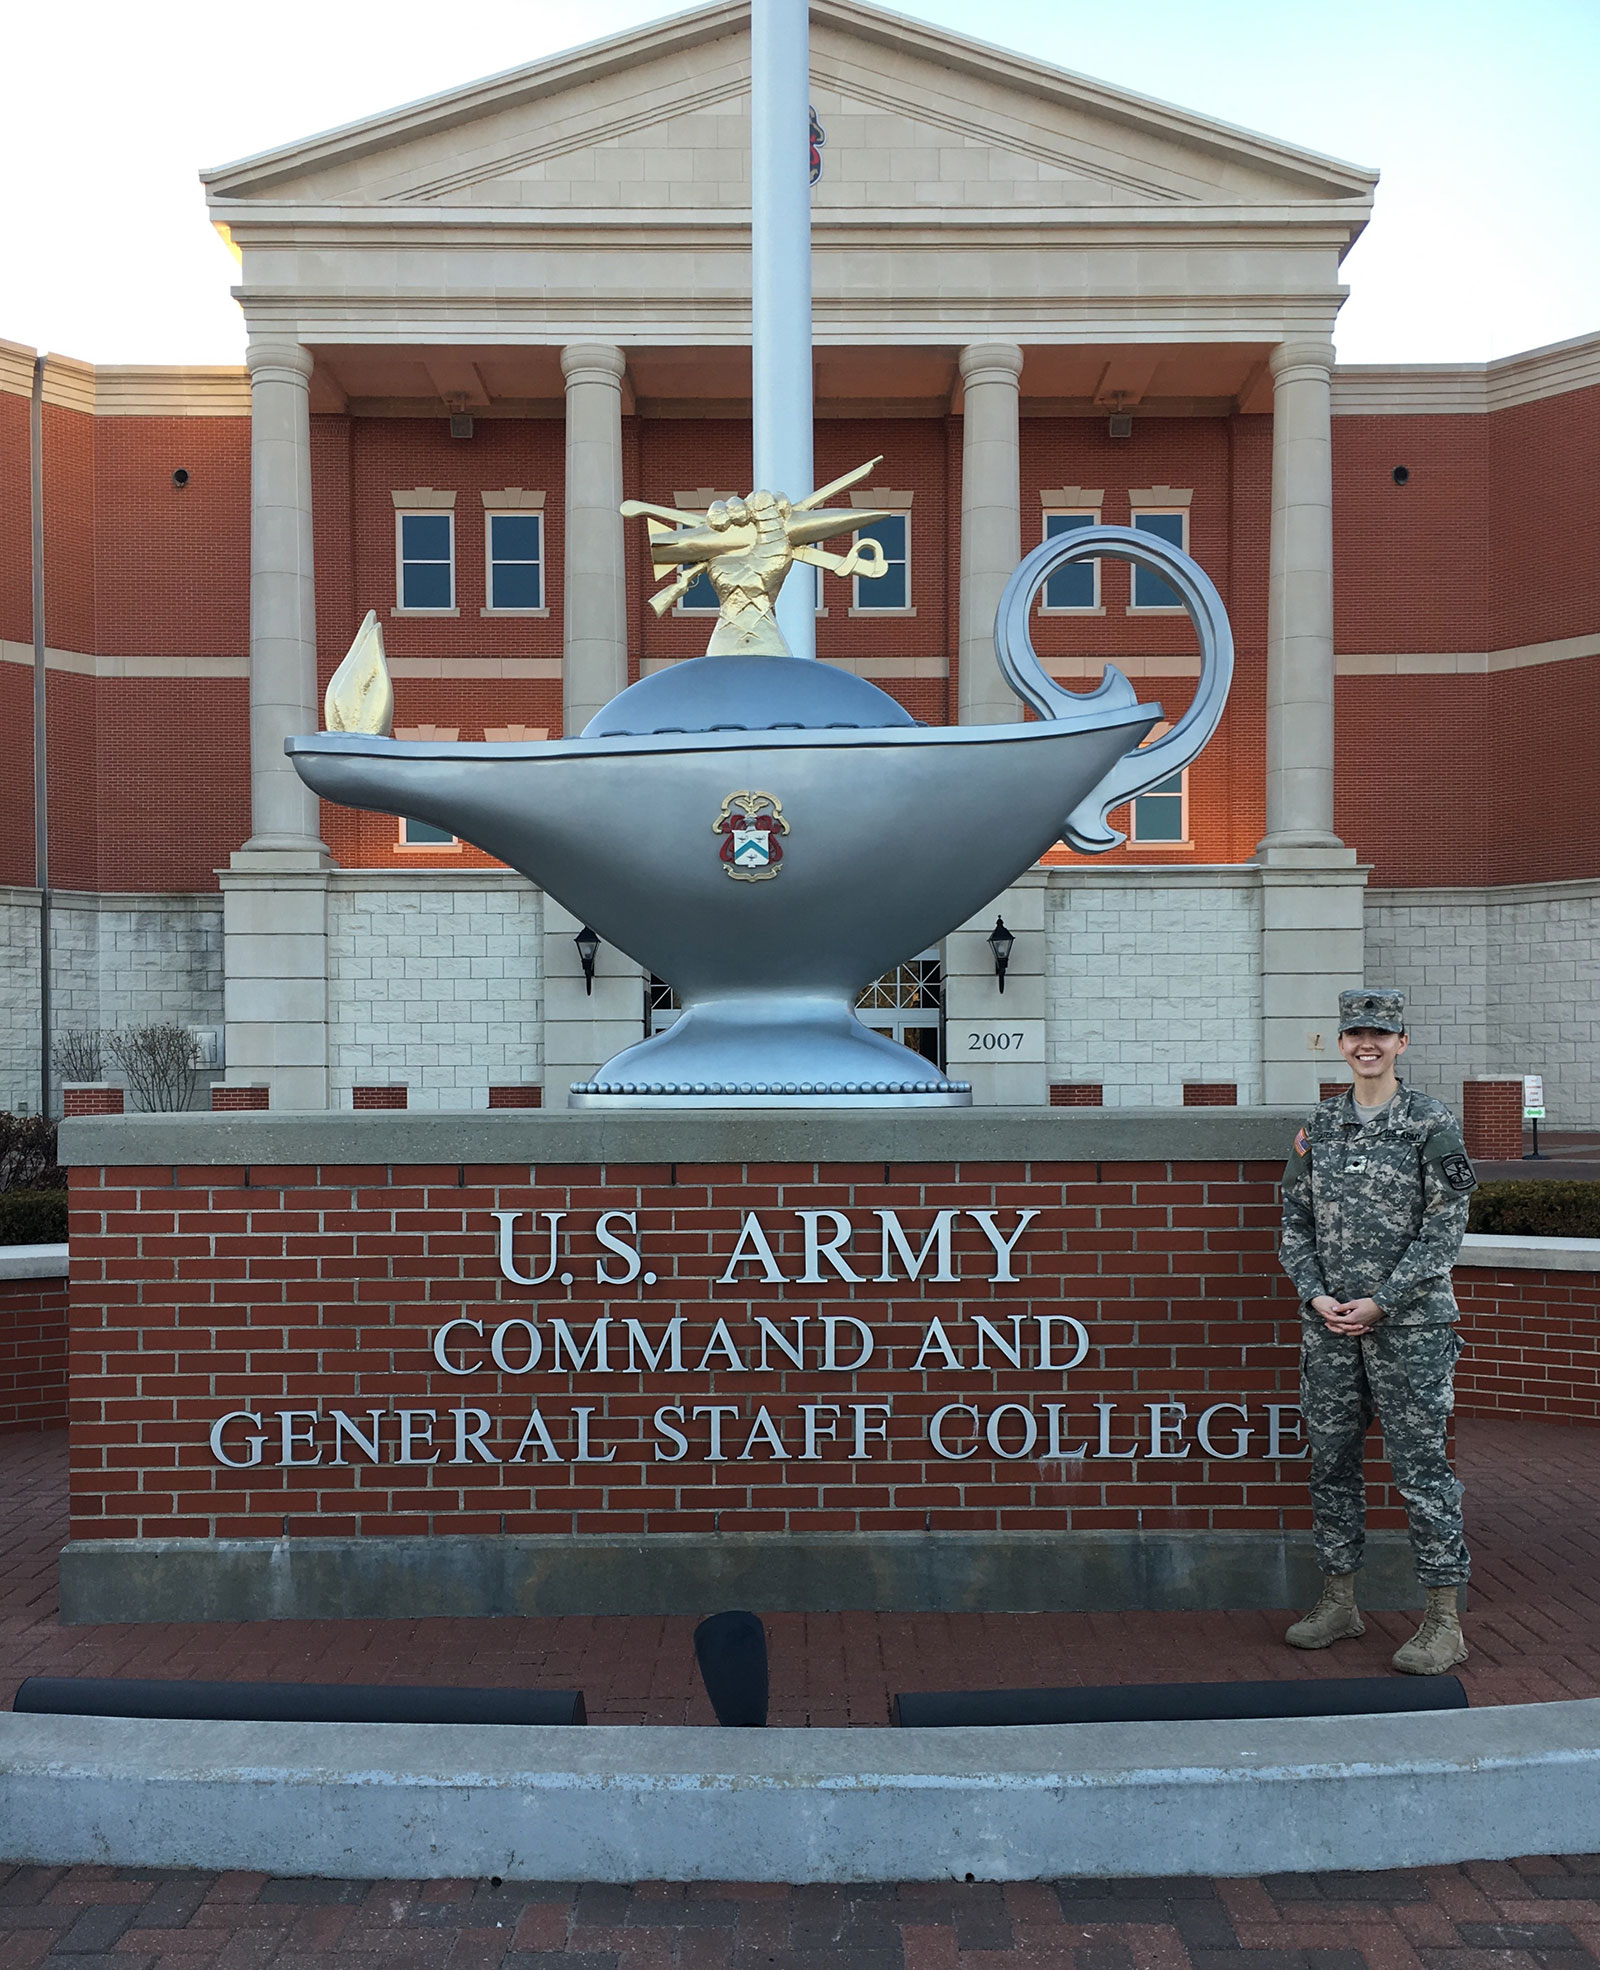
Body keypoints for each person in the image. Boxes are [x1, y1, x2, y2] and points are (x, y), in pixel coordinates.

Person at [1278, 987, 1478, 1675]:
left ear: (1402, 1042)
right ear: (1341, 1043)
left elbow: (1444, 1230)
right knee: (1330, 1465)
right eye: (1356, 1033)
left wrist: (1381, 1301)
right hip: (1331, 1330)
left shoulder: (1429, 1122)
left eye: (1381, 1033)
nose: (1368, 1044)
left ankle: (1444, 1621)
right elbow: (1292, 1224)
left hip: (1411, 1330)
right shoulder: (1320, 1127)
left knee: (1422, 1471)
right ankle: (1339, 1602)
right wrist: (1318, 1297)